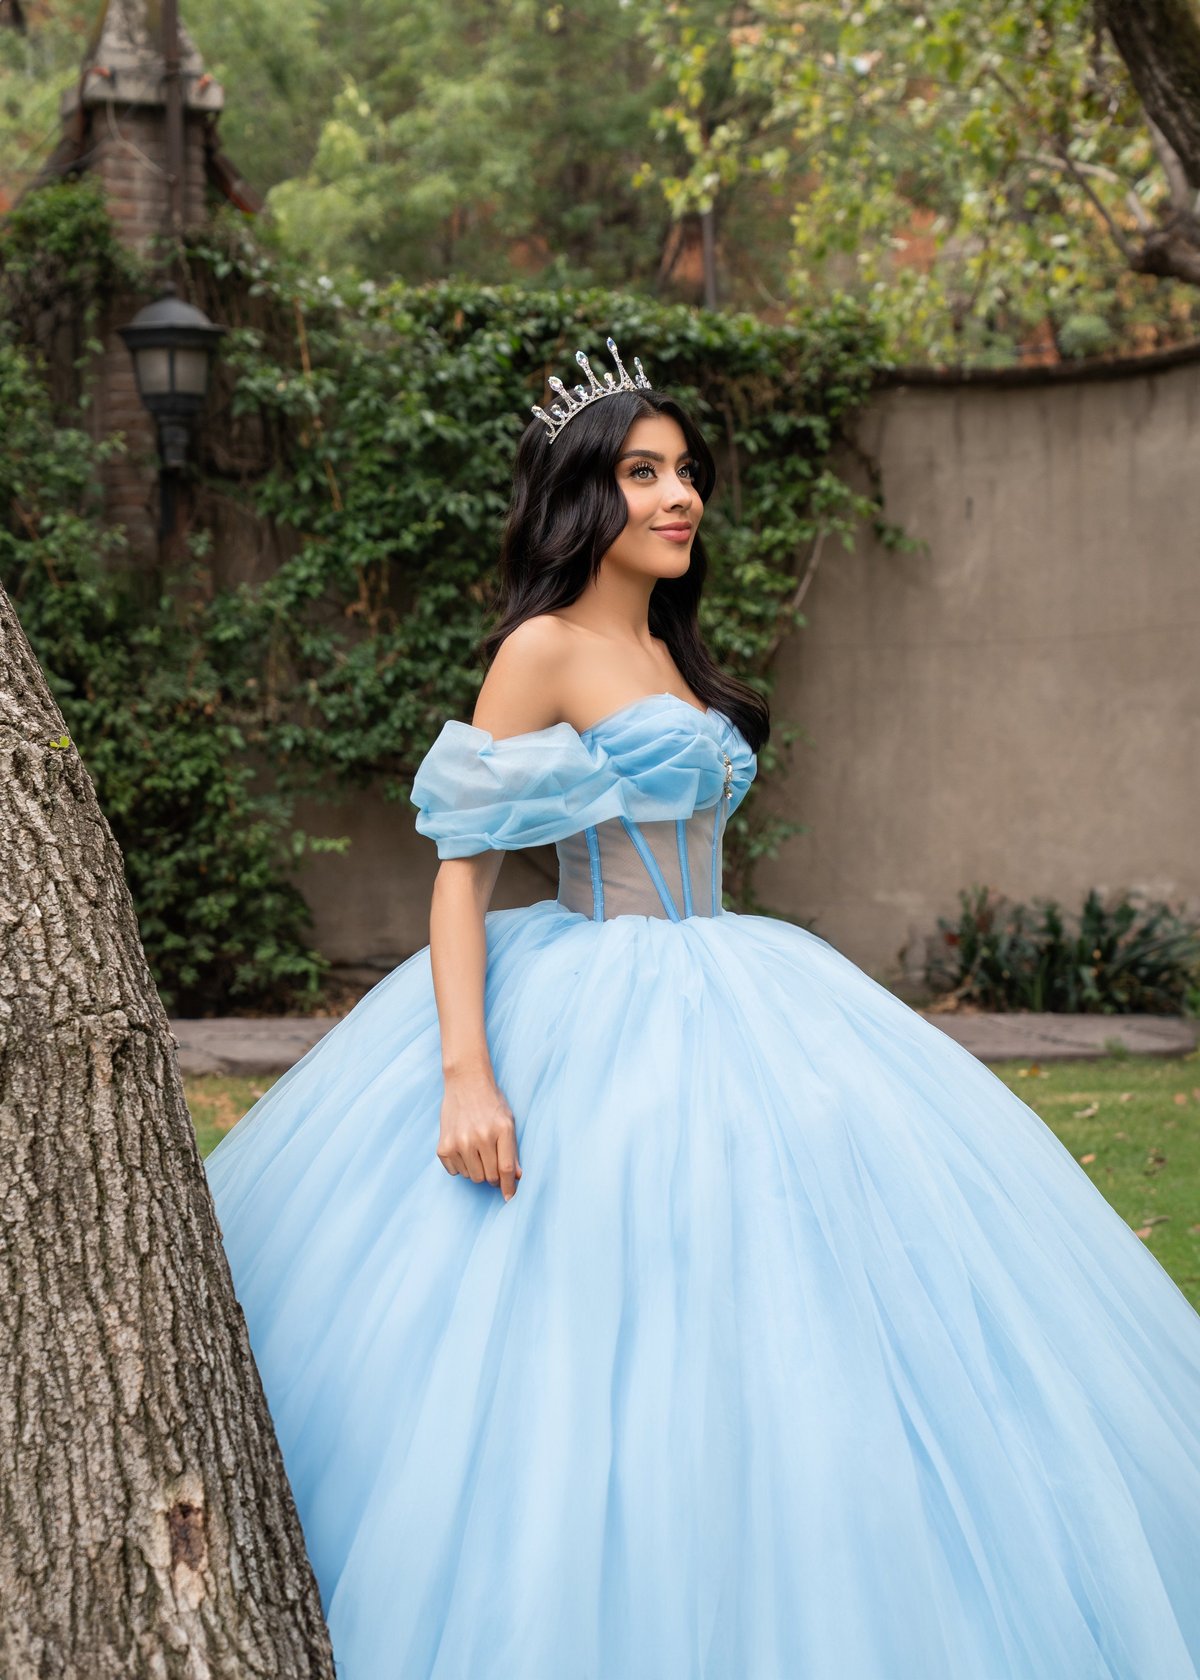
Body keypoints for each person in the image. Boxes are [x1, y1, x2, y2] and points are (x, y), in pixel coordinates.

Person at [205, 337, 1200, 1680]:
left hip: (739, 974)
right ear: (582, 495)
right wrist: (466, 1075)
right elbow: (461, 877)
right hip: (594, 992)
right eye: (643, 472)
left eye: (684, 472)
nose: (680, 497)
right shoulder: (543, 649)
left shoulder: (672, 648)